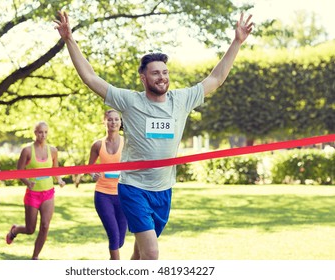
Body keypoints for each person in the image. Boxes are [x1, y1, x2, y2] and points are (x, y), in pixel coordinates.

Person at [55, 11, 253, 260]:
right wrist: (69, 40)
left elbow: (216, 78)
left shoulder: (181, 100)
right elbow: (90, 78)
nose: (162, 77)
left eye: (165, 72)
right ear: (143, 77)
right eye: (156, 73)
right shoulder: (129, 100)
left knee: (139, 257)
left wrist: (237, 42)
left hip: (163, 189)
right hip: (133, 188)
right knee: (151, 254)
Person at [6, 121, 65, 260]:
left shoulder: (53, 150)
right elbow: (18, 172)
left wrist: (60, 180)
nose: (43, 135)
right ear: (35, 133)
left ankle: (35, 257)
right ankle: (15, 230)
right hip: (33, 194)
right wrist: (27, 182)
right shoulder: (27, 150)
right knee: (30, 229)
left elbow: (55, 170)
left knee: (45, 226)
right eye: (40, 132)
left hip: (48, 193)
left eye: (45, 132)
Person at [88, 109, 127, 260]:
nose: (113, 122)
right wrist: (93, 174)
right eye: (110, 119)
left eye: (116, 119)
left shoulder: (127, 142)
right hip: (103, 194)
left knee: (120, 240)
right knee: (114, 235)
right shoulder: (97, 145)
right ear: (104, 122)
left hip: (123, 195)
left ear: (120, 122)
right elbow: (90, 167)